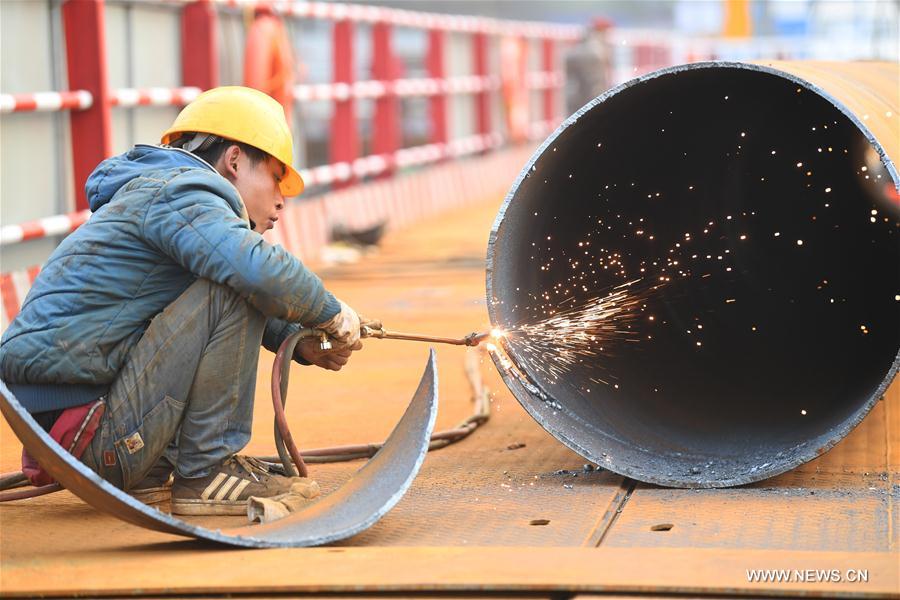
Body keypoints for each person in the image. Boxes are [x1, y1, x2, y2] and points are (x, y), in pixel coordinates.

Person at [0, 86, 365, 516]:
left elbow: (199, 307)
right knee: (236, 280)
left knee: (230, 275)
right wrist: (332, 312)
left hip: (75, 428)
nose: (282, 200)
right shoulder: (182, 192)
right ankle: (206, 472)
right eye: (275, 177)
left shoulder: (161, 194)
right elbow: (252, 272)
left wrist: (296, 339)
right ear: (234, 161)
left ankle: (151, 472)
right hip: (92, 432)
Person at [565, 17, 614, 116]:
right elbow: (595, 85)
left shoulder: (579, 47)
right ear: (602, 31)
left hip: (575, 102)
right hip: (588, 104)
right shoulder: (596, 50)